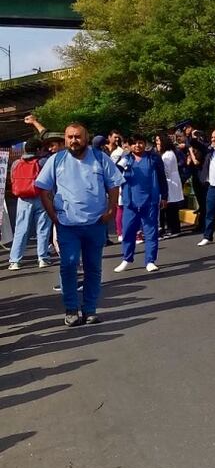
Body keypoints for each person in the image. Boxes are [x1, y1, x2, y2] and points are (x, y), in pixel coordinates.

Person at [35, 123, 123, 326]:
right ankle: (71, 309)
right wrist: (53, 215)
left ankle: (90, 310)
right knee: (69, 265)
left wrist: (111, 210)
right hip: (68, 225)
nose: (73, 140)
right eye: (70, 137)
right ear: (65, 139)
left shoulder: (100, 158)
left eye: (77, 137)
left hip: (95, 224)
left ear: (86, 138)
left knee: (93, 268)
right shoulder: (56, 160)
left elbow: (114, 184)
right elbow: (42, 188)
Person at [112, 134, 167, 273]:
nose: (137, 145)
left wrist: (164, 196)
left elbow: (162, 177)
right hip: (130, 202)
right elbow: (115, 174)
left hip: (150, 201)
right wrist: (121, 165)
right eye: (134, 143)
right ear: (129, 146)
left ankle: (150, 260)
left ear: (145, 144)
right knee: (128, 231)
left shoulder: (153, 158)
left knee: (150, 232)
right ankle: (126, 259)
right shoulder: (126, 159)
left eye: (140, 142)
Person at [8, 138, 52, 271]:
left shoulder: (16, 163)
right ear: (39, 149)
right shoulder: (43, 162)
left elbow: (12, 179)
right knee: (43, 228)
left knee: (21, 229)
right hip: (41, 197)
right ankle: (42, 258)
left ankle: (15, 260)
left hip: (23, 198)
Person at [156, 133, 185, 239]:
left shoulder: (167, 155)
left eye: (158, 141)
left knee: (171, 207)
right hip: (171, 181)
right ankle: (172, 228)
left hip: (170, 182)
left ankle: (174, 229)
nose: (157, 143)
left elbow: (166, 171)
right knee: (170, 207)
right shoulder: (168, 153)